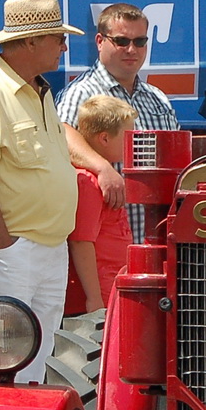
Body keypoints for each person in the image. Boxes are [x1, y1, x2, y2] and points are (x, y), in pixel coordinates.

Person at [0, 0, 83, 383]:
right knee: (0, 359)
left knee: (37, 358)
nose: (64, 45)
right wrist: (1, 242)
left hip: (47, 245)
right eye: (58, 38)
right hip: (13, 249)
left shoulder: (39, 90)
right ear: (31, 41)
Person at [58, 3, 179, 244]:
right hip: (104, 245)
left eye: (140, 42)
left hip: (160, 239)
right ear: (100, 41)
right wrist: (103, 168)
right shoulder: (81, 93)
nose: (132, 49)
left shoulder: (158, 98)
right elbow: (60, 135)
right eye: (122, 41)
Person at [65, 96, 137, 316]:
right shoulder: (88, 183)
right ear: (104, 138)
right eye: (127, 136)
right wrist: (94, 299)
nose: (132, 142)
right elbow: (81, 242)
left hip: (113, 286)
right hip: (102, 294)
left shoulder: (100, 179)